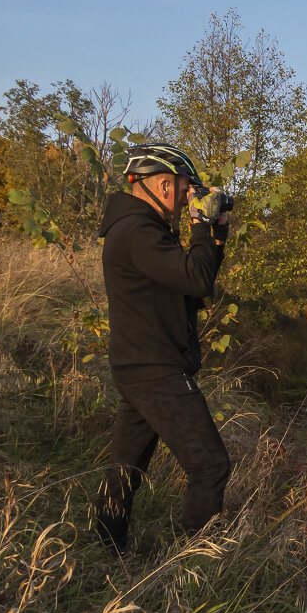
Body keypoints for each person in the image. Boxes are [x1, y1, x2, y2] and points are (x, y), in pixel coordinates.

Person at [94, 142, 232, 551]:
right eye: (187, 187)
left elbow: (191, 284)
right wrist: (200, 225)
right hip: (155, 369)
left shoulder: (141, 230)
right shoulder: (139, 232)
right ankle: (196, 562)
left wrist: (216, 235)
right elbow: (196, 279)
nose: (189, 196)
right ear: (163, 185)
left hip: (139, 365)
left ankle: (106, 547)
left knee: (126, 470)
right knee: (210, 466)